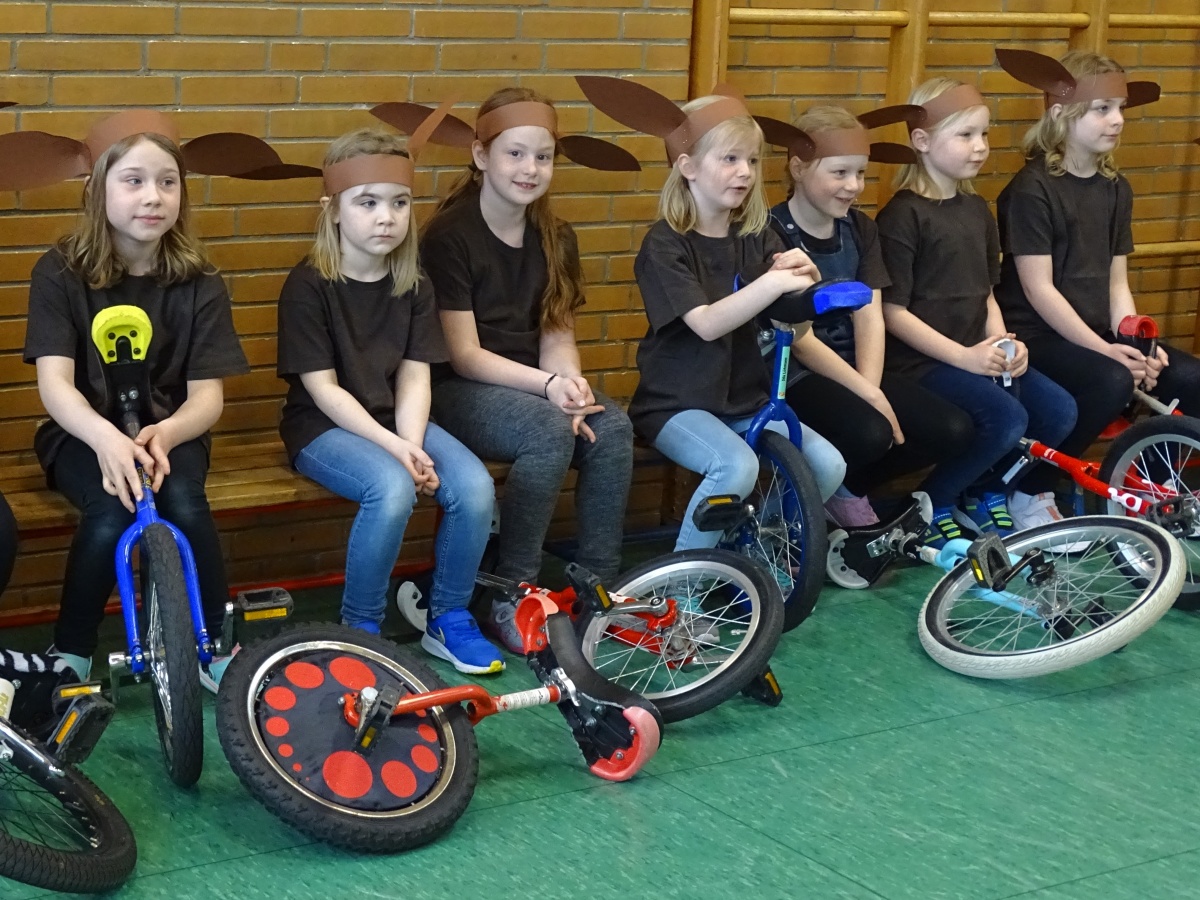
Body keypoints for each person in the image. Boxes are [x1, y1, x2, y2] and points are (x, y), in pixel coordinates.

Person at [15, 111, 249, 688]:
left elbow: (207, 397)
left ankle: (214, 642)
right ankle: (72, 649)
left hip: (170, 432)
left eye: (168, 182)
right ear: (99, 189)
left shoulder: (200, 280)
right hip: (82, 431)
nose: (153, 197)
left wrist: (166, 433)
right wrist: (106, 439)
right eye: (134, 180)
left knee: (185, 503)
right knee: (111, 508)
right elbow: (55, 385)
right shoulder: (59, 272)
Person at [574, 76, 846, 563]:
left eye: (753, 161)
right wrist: (772, 283)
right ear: (688, 168)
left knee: (828, 465)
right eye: (730, 159)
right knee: (735, 467)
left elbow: (792, 318)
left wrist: (809, 282)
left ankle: (759, 548)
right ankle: (685, 586)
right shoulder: (665, 245)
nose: (745, 172)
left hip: (746, 400)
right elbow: (705, 323)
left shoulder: (757, 235)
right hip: (676, 407)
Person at [418, 88, 638, 655]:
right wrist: (548, 391)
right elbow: (463, 354)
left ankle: (600, 588)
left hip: (533, 389)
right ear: (481, 156)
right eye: (514, 154)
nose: (530, 168)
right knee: (547, 432)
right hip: (460, 390)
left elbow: (557, 336)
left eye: (543, 156)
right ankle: (510, 591)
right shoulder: (449, 236)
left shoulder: (557, 237)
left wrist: (572, 389)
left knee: (611, 427)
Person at [276, 124, 503, 674]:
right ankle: (360, 629)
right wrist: (396, 449)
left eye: (399, 203)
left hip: (397, 421)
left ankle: (447, 617)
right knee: (391, 488)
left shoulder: (414, 283)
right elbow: (323, 390)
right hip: (323, 427)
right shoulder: (307, 286)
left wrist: (411, 441)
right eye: (368, 202)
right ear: (333, 209)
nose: (386, 217)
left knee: (474, 487)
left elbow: (415, 375)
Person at [993, 49, 1197, 526]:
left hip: (1095, 334)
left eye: (1120, 108)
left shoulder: (1115, 187)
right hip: (1039, 335)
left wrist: (1136, 345)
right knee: (1110, 380)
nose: (1118, 119)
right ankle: (1029, 490)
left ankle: (1143, 485)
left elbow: (1116, 281)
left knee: (1188, 377)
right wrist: (1108, 353)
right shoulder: (1031, 190)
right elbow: (1040, 291)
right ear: (1061, 114)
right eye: (1102, 109)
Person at [876, 79, 1077, 547]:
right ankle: (934, 500)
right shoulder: (903, 216)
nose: (981, 146)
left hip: (976, 352)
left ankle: (986, 490)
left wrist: (1006, 343)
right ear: (922, 141)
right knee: (1006, 418)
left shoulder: (976, 208)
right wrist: (963, 357)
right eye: (965, 135)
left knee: (1059, 410)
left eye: (984, 134)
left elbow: (986, 292)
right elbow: (893, 311)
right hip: (922, 363)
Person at [761, 105, 974, 525]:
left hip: (856, 367)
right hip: (796, 373)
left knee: (952, 428)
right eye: (840, 173)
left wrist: (870, 387)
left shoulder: (860, 229)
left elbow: (869, 315)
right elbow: (801, 340)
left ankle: (844, 491)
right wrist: (870, 397)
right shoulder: (770, 232)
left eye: (860, 173)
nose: (854, 185)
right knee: (870, 432)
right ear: (798, 168)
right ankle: (794, 511)